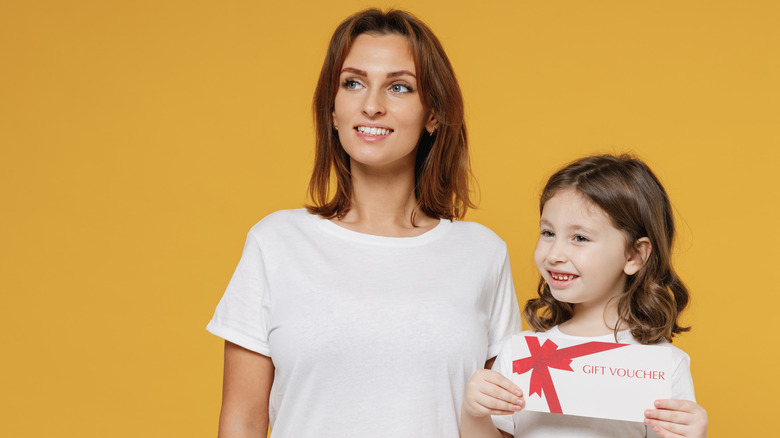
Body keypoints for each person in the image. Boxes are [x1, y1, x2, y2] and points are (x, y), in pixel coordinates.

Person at [206, 8, 520, 437]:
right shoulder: (275, 242)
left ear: (433, 115)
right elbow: (241, 422)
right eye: (353, 83)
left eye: (399, 87)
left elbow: (500, 423)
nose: (371, 106)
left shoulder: (482, 253)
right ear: (333, 110)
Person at [460, 155, 708, 438]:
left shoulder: (664, 365)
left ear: (634, 255)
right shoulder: (521, 352)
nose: (554, 255)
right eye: (548, 232)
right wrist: (474, 414)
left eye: (579, 238)